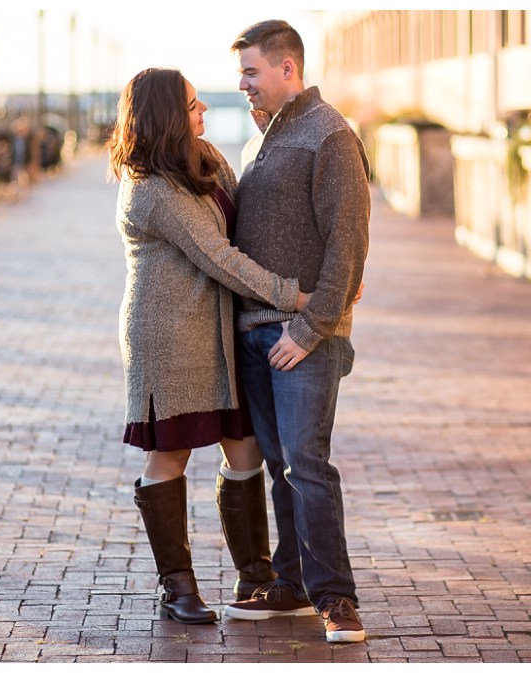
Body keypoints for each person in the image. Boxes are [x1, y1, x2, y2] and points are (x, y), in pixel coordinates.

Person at [108, 67, 312, 625]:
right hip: (169, 338)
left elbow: (249, 221)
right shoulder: (149, 188)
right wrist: (296, 298)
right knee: (170, 453)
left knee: (242, 449)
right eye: (193, 106)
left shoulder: (206, 158)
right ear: (166, 116)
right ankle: (178, 588)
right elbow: (219, 256)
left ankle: (256, 578)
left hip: (222, 332)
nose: (203, 113)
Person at [221, 20, 370, 644]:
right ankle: (292, 583)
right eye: (240, 75)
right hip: (257, 331)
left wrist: (310, 329)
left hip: (301, 336)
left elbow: (349, 244)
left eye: (252, 72)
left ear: (288, 69)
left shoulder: (329, 134)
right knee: (283, 464)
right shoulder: (272, 134)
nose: (243, 85)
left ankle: (337, 600)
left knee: (308, 465)